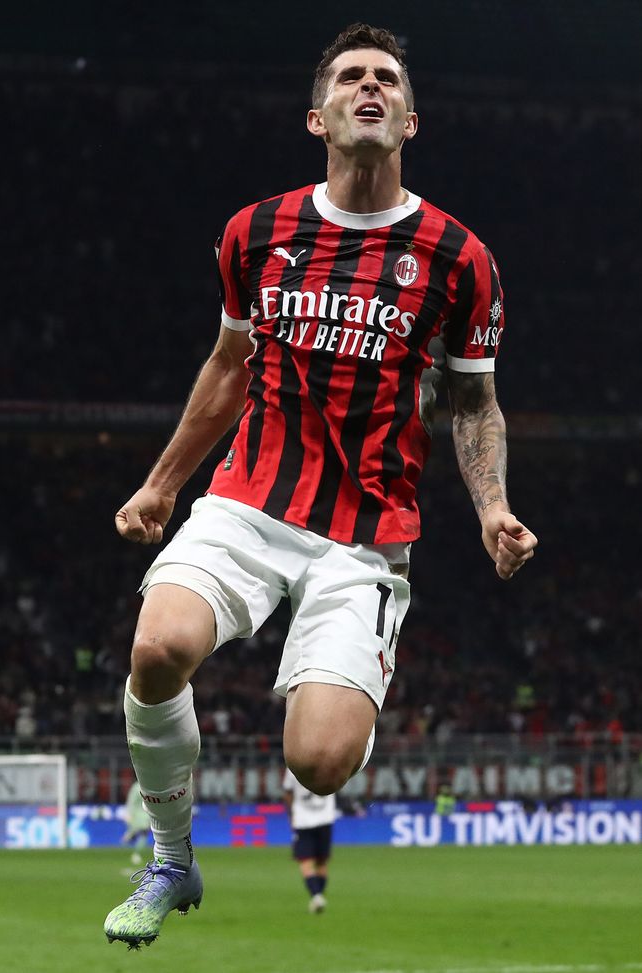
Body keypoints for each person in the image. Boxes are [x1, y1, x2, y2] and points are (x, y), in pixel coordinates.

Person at [104, 22, 538, 948]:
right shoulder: (254, 232)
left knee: (322, 760)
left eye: (387, 78)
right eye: (351, 76)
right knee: (157, 647)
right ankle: (173, 860)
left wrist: (492, 505)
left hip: (366, 536)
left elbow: (474, 400)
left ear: (410, 120)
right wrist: (160, 486)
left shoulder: (457, 256)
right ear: (319, 115)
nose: (369, 87)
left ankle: (340, 660)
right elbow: (228, 367)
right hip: (249, 501)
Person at [283, 767, 337, 914]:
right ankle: (318, 896)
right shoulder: (329, 762)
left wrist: (291, 814)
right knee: (321, 862)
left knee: (306, 861)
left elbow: (287, 792)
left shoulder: (293, 765)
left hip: (303, 820)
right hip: (325, 818)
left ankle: (316, 896)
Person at [121, 779, 152, 867]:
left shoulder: (143, 786)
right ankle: (129, 839)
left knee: (143, 833)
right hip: (137, 814)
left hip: (144, 814)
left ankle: (135, 852)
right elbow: (131, 801)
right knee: (142, 833)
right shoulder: (137, 787)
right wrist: (129, 813)